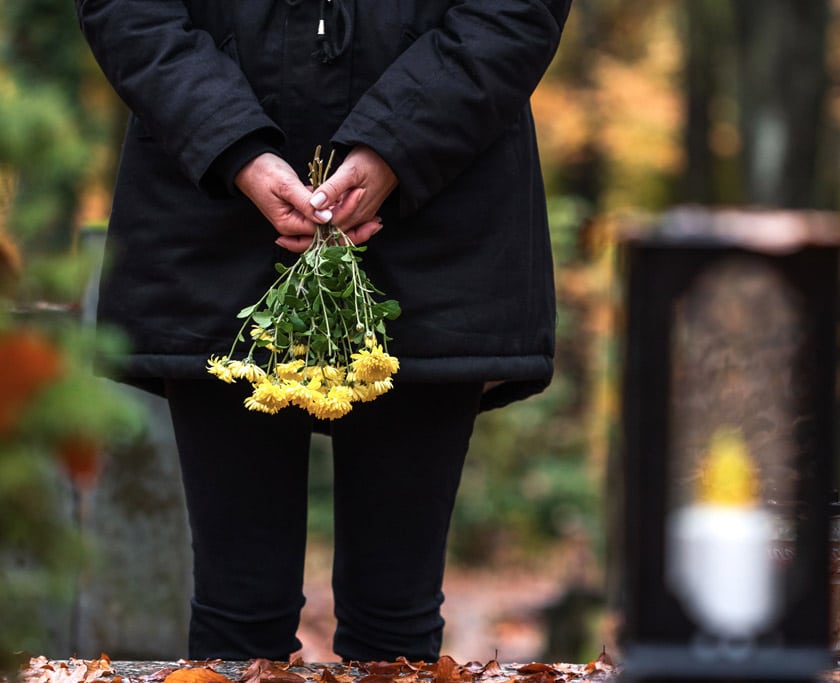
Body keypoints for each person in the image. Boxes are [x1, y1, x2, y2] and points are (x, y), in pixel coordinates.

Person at [75, 0, 571, 663]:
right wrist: (235, 146)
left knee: (394, 621)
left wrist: (397, 145)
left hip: (439, 208)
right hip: (213, 215)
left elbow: (515, 9)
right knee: (237, 614)